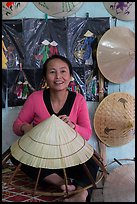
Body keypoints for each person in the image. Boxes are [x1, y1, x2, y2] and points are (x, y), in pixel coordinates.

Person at [11, 54, 99, 202]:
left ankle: (81, 195)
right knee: (16, 156)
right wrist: (27, 129)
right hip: (43, 157)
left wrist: (73, 126)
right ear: (45, 77)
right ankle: (63, 183)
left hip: (69, 156)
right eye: (52, 72)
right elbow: (17, 126)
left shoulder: (78, 99)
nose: (58, 76)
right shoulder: (35, 98)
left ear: (70, 75)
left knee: (93, 160)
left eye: (63, 71)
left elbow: (87, 134)